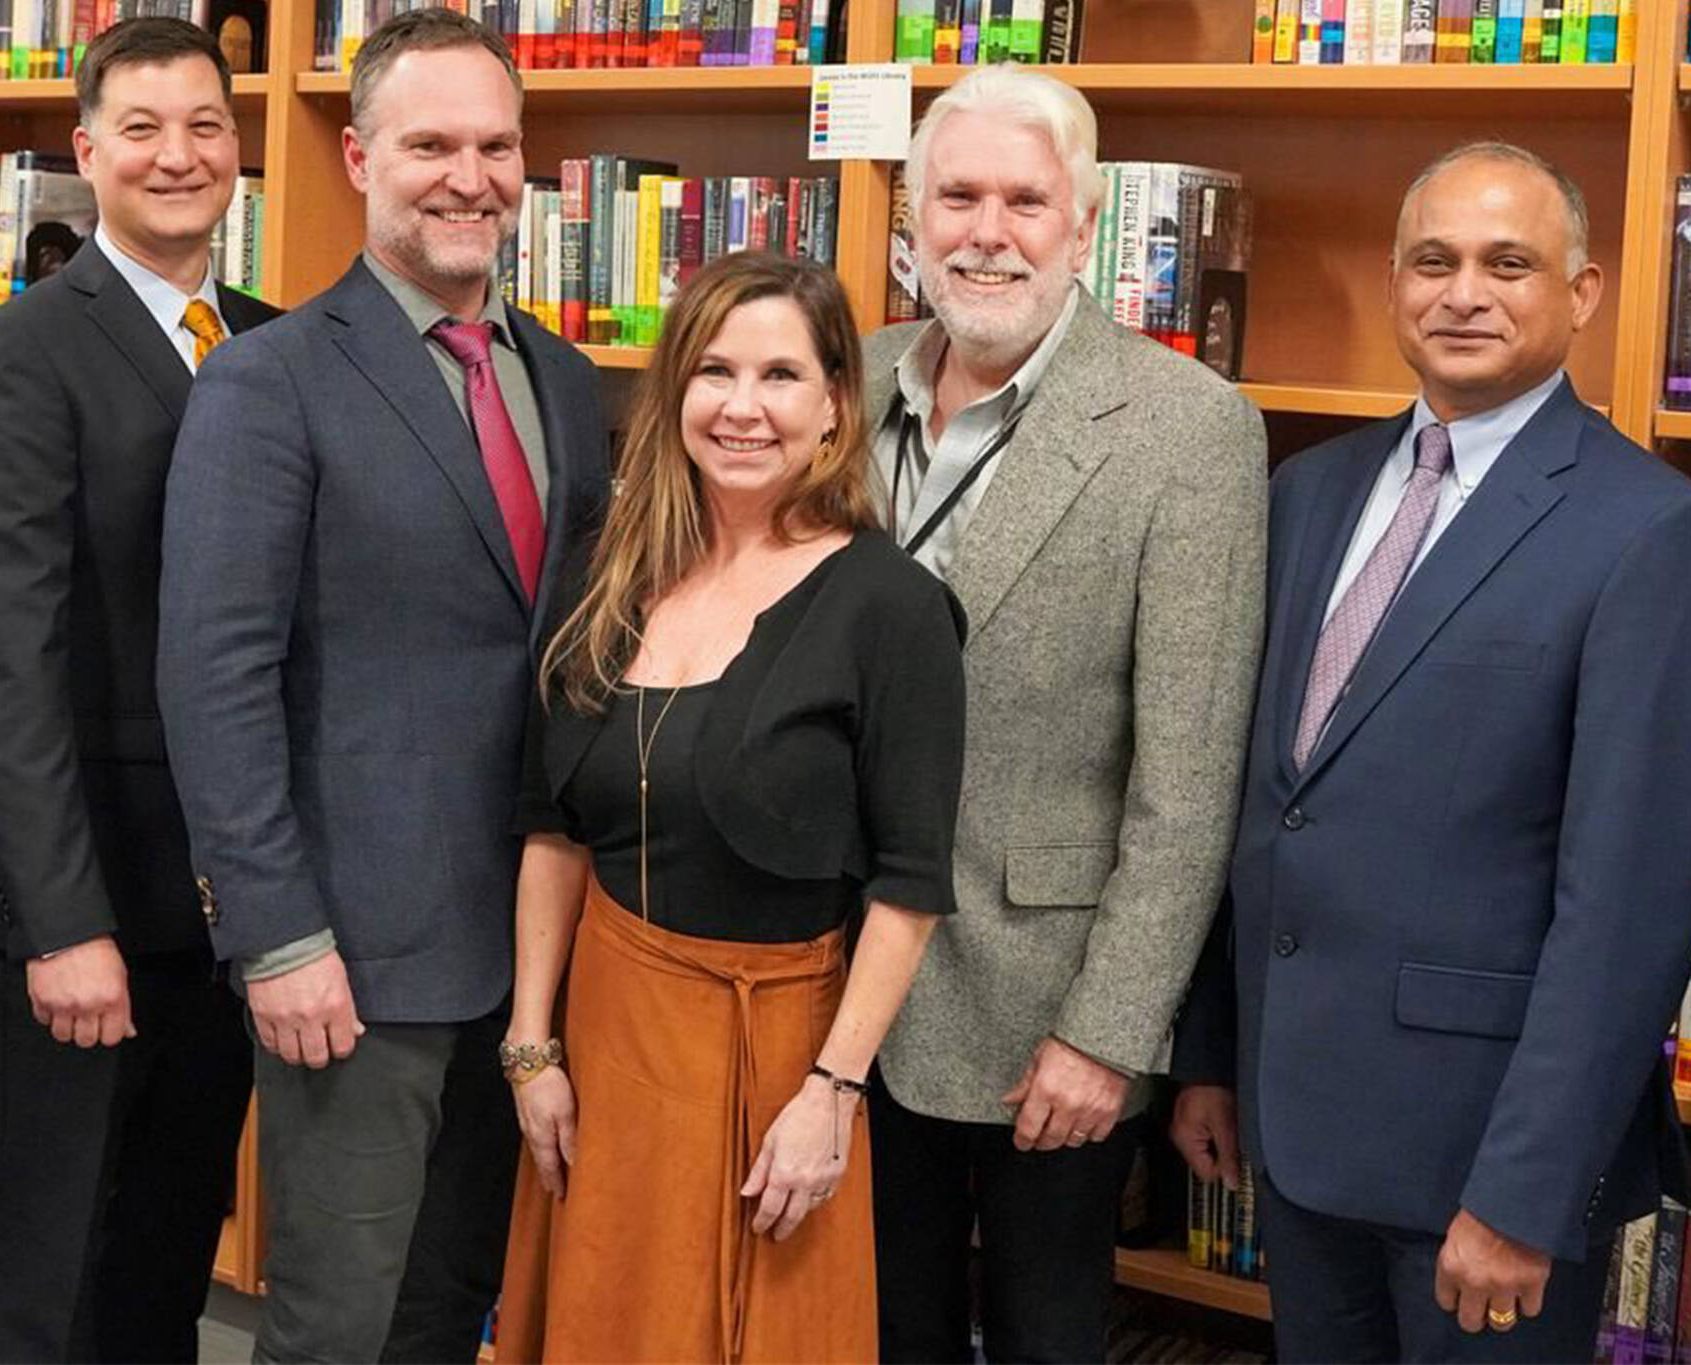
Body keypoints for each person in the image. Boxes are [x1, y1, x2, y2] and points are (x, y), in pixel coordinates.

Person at [1170, 141, 1691, 1364]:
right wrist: (1209, 1057)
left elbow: (1623, 910)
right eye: (1432, 261)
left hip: (1477, 1169)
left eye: (1507, 263)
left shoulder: (1646, 530)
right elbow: (1262, 802)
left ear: (1582, 291)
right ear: (1394, 282)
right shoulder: (1305, 489)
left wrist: (1523, 1193)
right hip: (1292, 1129)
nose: (1463, 292)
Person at [155, 10, 609, 1361]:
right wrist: (277, 935)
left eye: (496, 145)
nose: (469, 176)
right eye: (431, 146)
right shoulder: (268, 380)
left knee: (452, 1300)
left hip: (536, 956)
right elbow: (216, 678)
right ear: (357, 157)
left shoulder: (570, 383)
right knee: (335, 1326)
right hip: (352, 959)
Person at [863, 65, 1269, 1364]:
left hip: (1038, 1012)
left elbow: (1188, 784)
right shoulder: (833, 381)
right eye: (959, 196)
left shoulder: (1189, 430)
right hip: (820, 983)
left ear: (1084, 224)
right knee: (864, 1332)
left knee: (1044, 1340)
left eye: (1025, 200)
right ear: (909, 221)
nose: (990, 230)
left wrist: (1106, 1036)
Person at [493, 251, 967, 1363]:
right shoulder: (600, 575)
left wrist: (832, 1095)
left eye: (779, 376)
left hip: (773, 1062)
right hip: (601, 1051)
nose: (741, 408)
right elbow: (551, 828)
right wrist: (530, 1047)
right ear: (672, 394)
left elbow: (908, 886)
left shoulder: (891, 608)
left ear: (835, 404)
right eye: (712, 371)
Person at [0, 18, 279, 1362]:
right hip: (75, 920)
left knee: (157, 1276)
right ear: (88, 155)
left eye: (205, 124)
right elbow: (3, 667)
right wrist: (69, 923)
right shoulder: (22, 354)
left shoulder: (265, 338)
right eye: (142, 128)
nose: (177, 154)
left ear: (239, 147)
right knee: (43, 1287)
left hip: (220, 914)